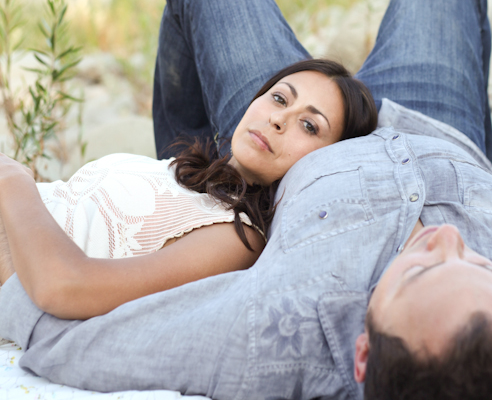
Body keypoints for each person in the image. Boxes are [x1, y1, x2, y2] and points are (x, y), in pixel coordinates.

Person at [1, 0, 492, 400]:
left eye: (421, 271)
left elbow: (83, 333)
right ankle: (202, 174)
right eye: (484, 266)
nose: (446, 239)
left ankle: (201, 186)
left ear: (364, 354)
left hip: (298, 149)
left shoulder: (278, 333)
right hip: (433, 126)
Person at [0, 57, 376, 319]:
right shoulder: (178, 171)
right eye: (279, 98)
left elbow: (65, 287)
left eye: (310, 126)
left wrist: (15, 179)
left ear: (328, 160)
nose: (279, 119)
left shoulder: (236, 237)